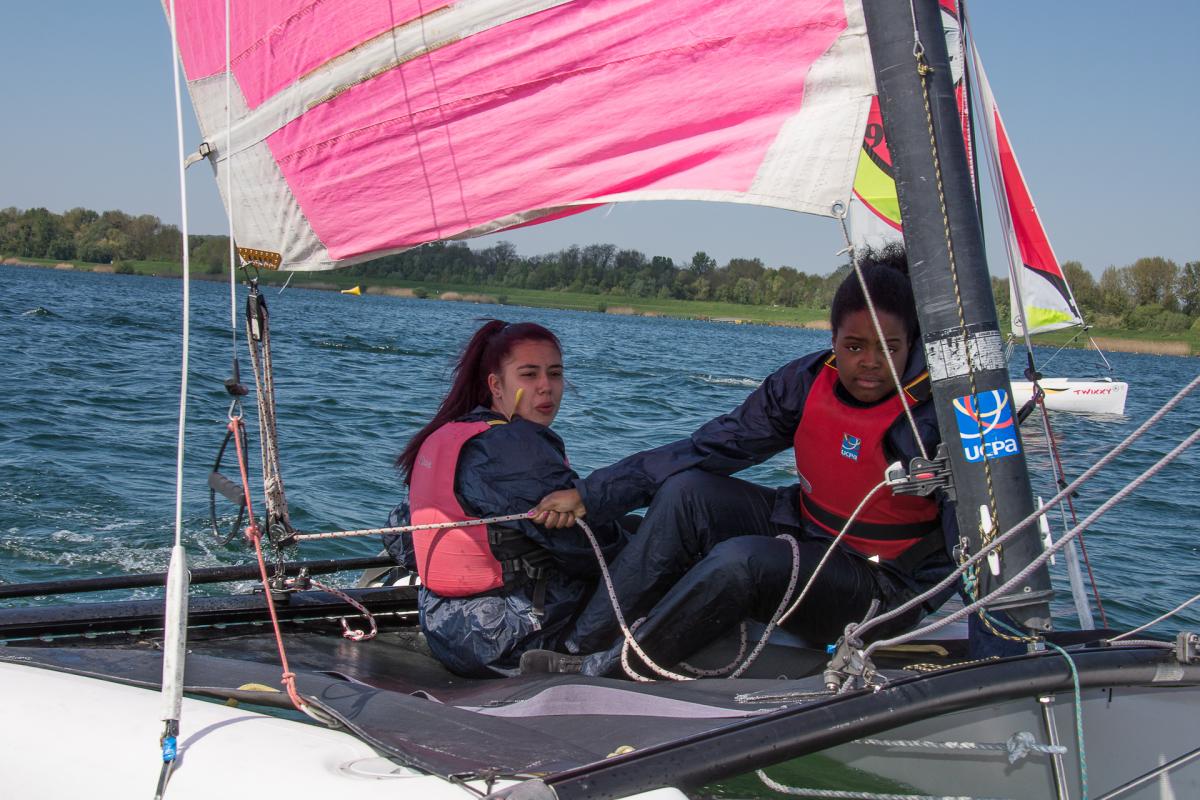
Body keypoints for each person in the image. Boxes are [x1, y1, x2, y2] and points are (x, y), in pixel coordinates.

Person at [528, 246, 959, 676]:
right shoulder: (806, 381)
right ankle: (577, 647)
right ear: (833, 341)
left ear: (911, 344)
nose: (869, 362)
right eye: (854, 346)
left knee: (743, 561)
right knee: (686, 493)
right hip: (809, 535)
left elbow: (977, 532)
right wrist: (592, 494)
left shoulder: (940, 413)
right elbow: (710, 447)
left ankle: (612, 671)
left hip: (880, 586)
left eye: (888, 348)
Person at [385, 320, 629, 677]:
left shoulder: (452, 434)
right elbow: (591, 550)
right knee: (652, 551)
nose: (546, 386)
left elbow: (398, 536)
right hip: (503, 638)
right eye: (529, 374)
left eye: (555, 373)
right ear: (496, 386)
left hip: (441, 625)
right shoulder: (512, 449)